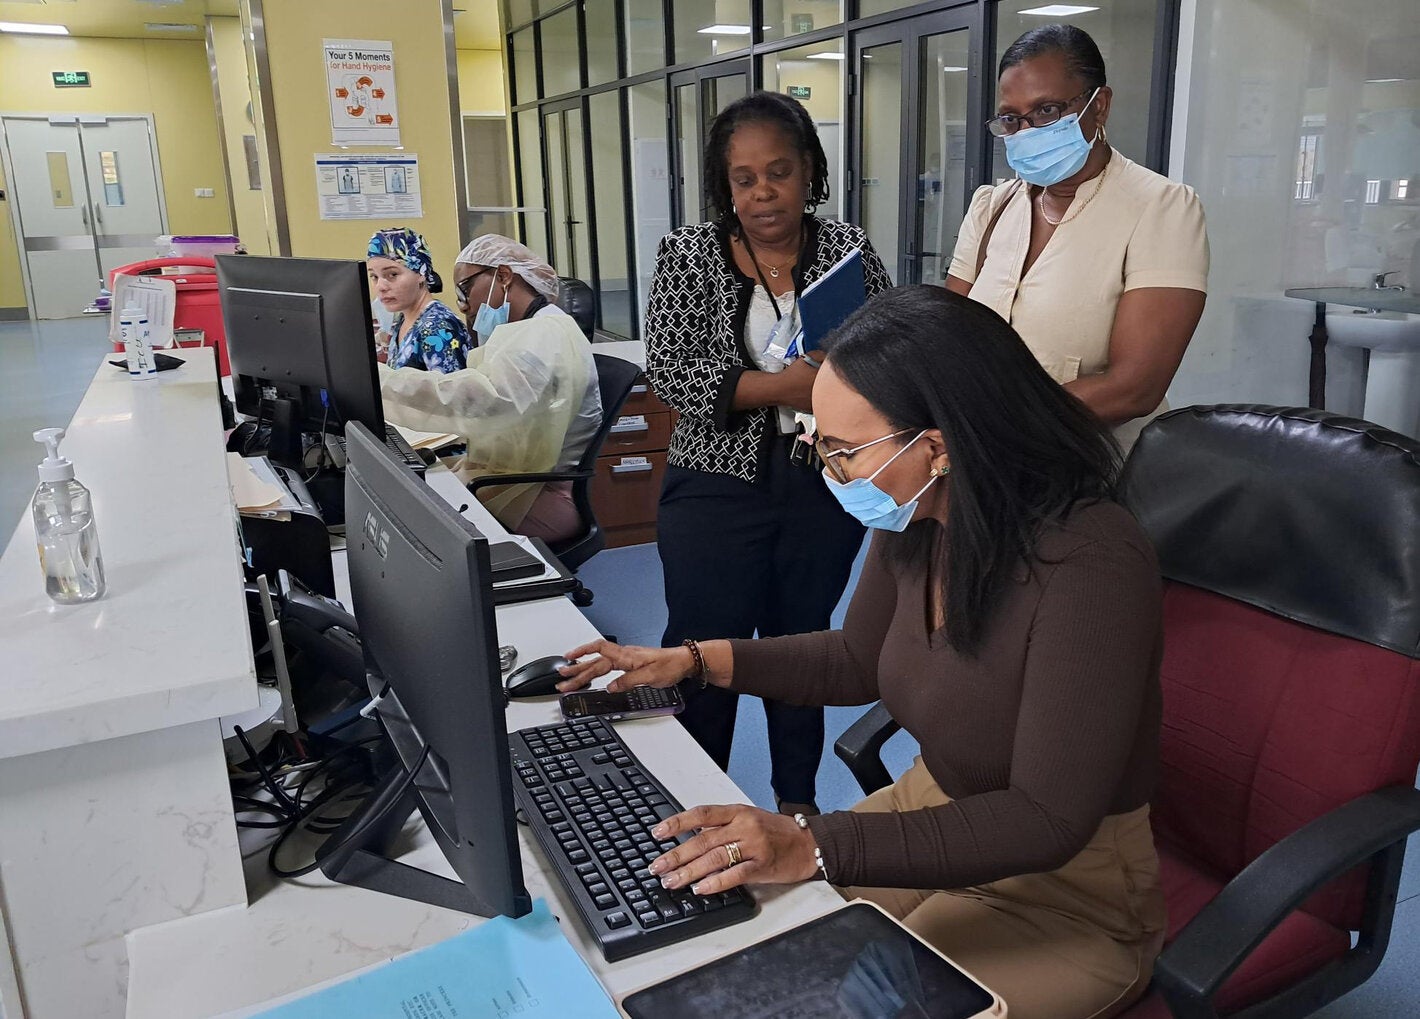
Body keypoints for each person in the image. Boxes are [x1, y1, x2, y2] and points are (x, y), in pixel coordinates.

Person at [558, 286, 1166, 1019]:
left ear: (935, 447)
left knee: (834, 1003)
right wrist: (695, 659)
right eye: (820, 436)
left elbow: (1045, 818)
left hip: (1063, 889)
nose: (822, 461)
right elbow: (855, 658)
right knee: (723, 948)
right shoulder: (925, 510)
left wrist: (813, 841)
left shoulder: (1093, 562)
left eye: (843, 448)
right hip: (928, 808)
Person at [643, 91, 893, 817]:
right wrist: (790, 385)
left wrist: (841, 381)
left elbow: (885, 348)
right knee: (701, 650)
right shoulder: (688, 254)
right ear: (726, 185)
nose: (762, 193)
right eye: (744, 178)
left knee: (801, 652)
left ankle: (796, 809)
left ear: (809, 170)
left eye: (778, 173)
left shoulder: (847, 248)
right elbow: (674, 369)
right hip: (713, 490)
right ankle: (694, 805)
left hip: (821, 489)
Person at [946, 24, 1208, 451]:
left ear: (1098, 106)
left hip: (1090, 474)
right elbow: (948, 337)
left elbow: (1134, 387)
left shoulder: (1161, 209)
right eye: (1011, 119)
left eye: (1047, 111)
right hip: (983, 467)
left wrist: (993, 423)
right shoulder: (992, 208)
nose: (1027, 132)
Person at [377, 235, 601, 542]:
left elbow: (484, 400)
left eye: (466, 288)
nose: (464, 305)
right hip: (512, 477)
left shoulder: (544, 335)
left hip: (537, 491)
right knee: (415, 489)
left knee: (418, 523)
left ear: (504, 276)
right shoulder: (526, 328)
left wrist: (384, 383)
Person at [366, 227, 470, 373]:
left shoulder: (437, 328)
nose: (381, 286)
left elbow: (452, 392)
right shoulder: (404, 319)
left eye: (392, 274)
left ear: (421, 273)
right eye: (374, 277)